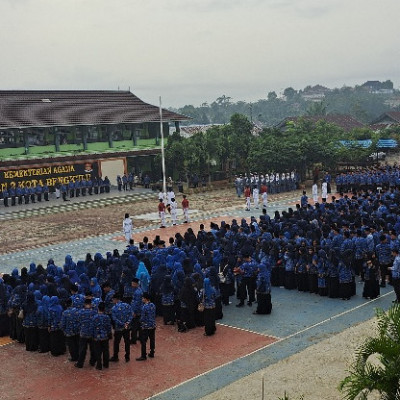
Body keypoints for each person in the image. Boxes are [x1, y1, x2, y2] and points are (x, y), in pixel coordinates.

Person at [110, 293, 132, 362]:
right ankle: (127, 357)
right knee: (127, 342)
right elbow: (131, 314)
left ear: (115, 299)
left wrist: (122, 324)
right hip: (126, 328)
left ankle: (115, 357)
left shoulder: (114, 308)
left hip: (118, 328)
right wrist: (127, 323)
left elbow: (114, 319)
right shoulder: (127, 305)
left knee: (116, 343)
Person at [75, 298, 96, 368]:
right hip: (92, 334)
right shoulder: (94, 312)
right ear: (91, 304)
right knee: (93, 349)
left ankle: (80, 363)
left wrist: (78, 330)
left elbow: (77, 323)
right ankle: (92, 362)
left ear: (84, 304)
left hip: (83, 333)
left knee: (82, 349)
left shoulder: (80, 312)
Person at [136, 292, 156, 361]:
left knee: (143, 341)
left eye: (143, 298)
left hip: (146, 326)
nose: (142, 299)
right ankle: (152, 352)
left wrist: (141, 323)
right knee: (152, 339)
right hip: (152, 325)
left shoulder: (144, 307)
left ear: (145, 299)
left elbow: (143, 318)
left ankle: (143, 355)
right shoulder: (153, 305)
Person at [92, 302, 112, 370]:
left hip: (97, 337)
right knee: (105, 350)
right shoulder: (107, 317)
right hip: (105, 336)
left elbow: (92, 327)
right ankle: (106, 364)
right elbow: (109, 327)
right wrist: (109, 334)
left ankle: (99, 365)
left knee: (98, 351)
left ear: (98, 308)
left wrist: (93, 335)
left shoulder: (94, 317)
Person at [61, 298, 79, 362]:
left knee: (71, 346)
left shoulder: (65, 313)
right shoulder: (77, 311)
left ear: (66, 304)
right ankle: (79, 356)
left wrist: (63, 330)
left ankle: (74, 357)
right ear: (72, 303)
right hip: (77, 331)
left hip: (69, 332)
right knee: (77, 344)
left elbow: (63, 324)